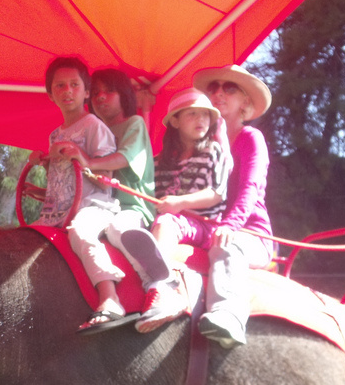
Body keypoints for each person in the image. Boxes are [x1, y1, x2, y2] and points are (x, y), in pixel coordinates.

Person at [116, 88, 229, 334]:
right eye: (192, 114)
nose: (200, 120)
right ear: (175, 121)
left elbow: (217, 193)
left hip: (203, 223)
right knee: (128, 225)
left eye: (205, 115)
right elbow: (148, 191)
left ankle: (164, 288)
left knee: (167, 221)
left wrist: (179, 204)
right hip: (165, 218)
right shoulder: (159, 160)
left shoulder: (214, 151)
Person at [56, 68, 157, 330]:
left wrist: (88, 161)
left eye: (109, 91)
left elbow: (123, 158)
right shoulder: (95, 128)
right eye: (97, 92)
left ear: (124, 94)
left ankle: (155, 282)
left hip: (129, 206)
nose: (101, 97)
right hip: (98, 202)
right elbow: (81, 173)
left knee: (117, 229)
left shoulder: (133, 124)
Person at [31, 57, 125, 331]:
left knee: (81, 232)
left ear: (86, 92)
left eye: (74, 85)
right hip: (59, 209)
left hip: (93, 206)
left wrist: (82, 157)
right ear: (51, 95)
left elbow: (106, 174)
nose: (67, 91)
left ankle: (110, 297)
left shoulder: (93, 125)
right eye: (60, 86)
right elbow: (61, 180)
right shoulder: (55, 135)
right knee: (29, 239)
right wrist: (40, 185)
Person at [188, 64, 275, 348]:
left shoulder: (251, 138)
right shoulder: (201, 143)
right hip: (209, 228)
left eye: (229, 88)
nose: (219, 93)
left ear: (245, 102)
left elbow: (251, 188)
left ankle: (229, 315)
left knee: (227, 244)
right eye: (213, 88)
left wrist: (230, 225)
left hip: (249, 234)